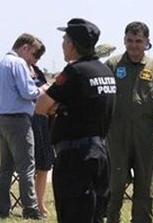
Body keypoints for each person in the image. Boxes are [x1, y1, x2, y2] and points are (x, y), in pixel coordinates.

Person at [35, 18, 116, 223]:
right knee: (95, 214)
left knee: (73, 214)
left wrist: (56, 104)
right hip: (100, 153)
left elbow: (41, 107)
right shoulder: (105, 71)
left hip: (75, 157)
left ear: (71, 44)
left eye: (65, 39)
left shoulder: (74, 72)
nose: (62, 44)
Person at [105, 21, 153, 223]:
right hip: (116, 135)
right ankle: (111, 219)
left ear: (147, 42)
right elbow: (101, 99)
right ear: (124, 40)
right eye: (130, 40)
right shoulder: (112, 65)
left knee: (144, 185)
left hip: (144, 134)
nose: (134, 45)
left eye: (138, 41)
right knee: (115, 183)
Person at [0, 33, 44, 220]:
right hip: (18, 120)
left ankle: (3, 210)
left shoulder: (0, 64)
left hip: (1, 118)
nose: (32, 60)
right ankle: (30, 208)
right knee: (26, 167)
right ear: (25, 48)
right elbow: (27, 91)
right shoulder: (18, 64)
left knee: (5, 168)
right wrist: (42, 89)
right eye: (33, 54)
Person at [27, 39, 55, 217]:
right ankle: (30, 204)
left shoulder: (37, 71)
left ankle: (40, 203)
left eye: (39, 56)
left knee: (44, 164)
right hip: (28, 119)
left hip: (43, 121)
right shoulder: (19, 69)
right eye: (35, 54)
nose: (37, 59)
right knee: (29, 166)